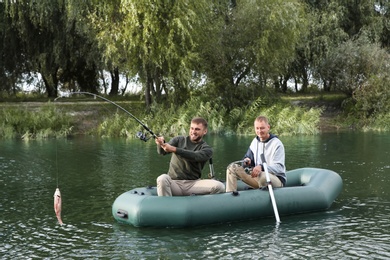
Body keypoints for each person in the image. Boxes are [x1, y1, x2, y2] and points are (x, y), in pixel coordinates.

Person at [155, 117, 225, 196]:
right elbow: (162, 152)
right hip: (174, 183)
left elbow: (195, 156)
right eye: (192, 128)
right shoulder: (179, 140)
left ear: (205, 131)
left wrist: (175, 149)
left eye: (197, 129)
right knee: (162, 178)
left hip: (193, 184)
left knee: (219, 186)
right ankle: (166, 206)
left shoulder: (207, 149)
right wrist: (160, 144)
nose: (193, 132)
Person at [226, 116, 286, 192]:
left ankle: (259, 192)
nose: (259, 131)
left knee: (263, 176)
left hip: (275, 179)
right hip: (257, 177)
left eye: (262, 128)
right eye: (257, 128)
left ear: (268, 127)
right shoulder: (255, 142)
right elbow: (247, 159)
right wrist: (246, 161)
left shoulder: (277, 144)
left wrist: (261, 167)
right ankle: (229, 196)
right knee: (232, 168)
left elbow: (279, 168)